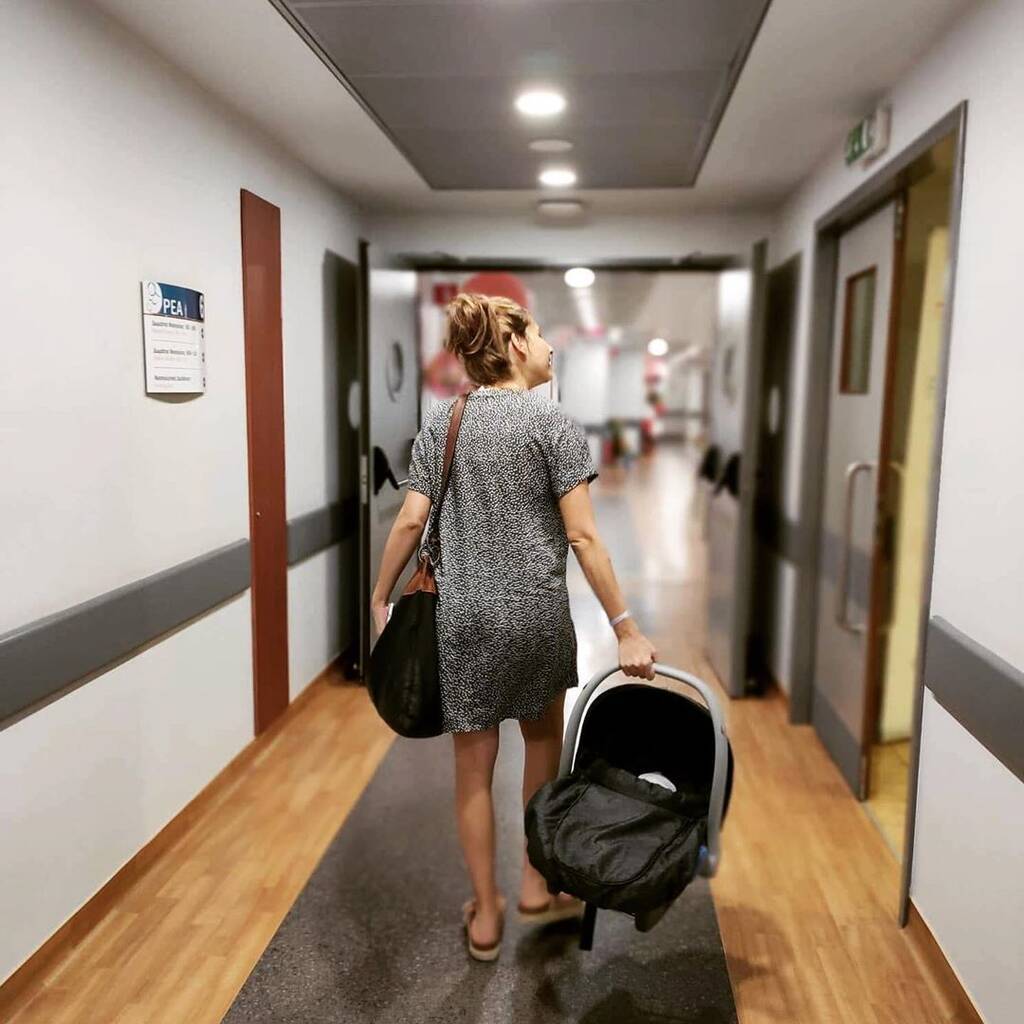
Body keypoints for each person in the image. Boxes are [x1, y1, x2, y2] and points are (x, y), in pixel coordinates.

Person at [370, 293, 658, 961]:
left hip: (463, 619)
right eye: (543, 335)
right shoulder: (553, 424)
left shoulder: (444, 422)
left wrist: (381, 597)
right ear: (518, 345)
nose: (552, 348)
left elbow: (410, 520)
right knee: (541, 743)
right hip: (535, 616)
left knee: (473, 770)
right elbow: (584, 537)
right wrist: (625, 627)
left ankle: (486, 915)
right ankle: (534, 883)